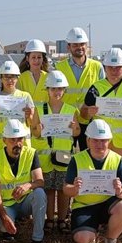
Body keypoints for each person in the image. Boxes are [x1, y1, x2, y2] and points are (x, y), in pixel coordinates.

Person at [62, 119, 122, 243]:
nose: (99, 144)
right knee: (82, 240)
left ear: (109, 141)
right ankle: (91, 232)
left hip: (108, 204)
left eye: (103, 140)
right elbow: (65, 188)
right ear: (88, 141)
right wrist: (75, 189)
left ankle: (110, 241)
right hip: (84, 206)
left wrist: (120, 192)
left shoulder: (118, 160)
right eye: (95, 140)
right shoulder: (77, 159)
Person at [31, 70, 80, 233]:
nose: (56, 92)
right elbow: (34, 132)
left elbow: (77, 132)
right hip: (45, 158)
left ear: (64, 90)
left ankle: (63, 219)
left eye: (59, 89)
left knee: (64, 190)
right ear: (47, 90)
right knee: (49, 190)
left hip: (64, 157)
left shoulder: (71, 110)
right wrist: (38, 128)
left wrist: (74, 128)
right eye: (53, 89)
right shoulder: (39, 109)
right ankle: (50, 219)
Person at [0, 119, 47, 243]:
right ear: (4, 140)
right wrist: (4, 216)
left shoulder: (31, 153)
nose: (17, 143)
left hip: (25, 201)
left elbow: (40, 181)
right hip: (7, 205)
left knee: (39, 193)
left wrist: (29, 185)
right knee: (4, 228)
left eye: (20, 139)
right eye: (13, 140)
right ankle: (10, 223)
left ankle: (37, 240)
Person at [81, 47, 122, 175]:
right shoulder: (96, 88)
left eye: (118, 67)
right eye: (110, 67)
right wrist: (88, 112)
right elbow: (83, 114)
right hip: (100, 140)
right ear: (105, 67)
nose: (114, 71)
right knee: (100, 176)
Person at [55, 27, 105, 150]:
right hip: (66, 120)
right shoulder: (59, 67)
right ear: (69, 47)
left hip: (90, 120)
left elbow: (103, 93)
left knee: (88, 156)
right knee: (64, 157)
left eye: (82, 44)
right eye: (75, 44)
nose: (79, 47)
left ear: (87, 46)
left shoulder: (97, 67)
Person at [0, 60, 34, 155]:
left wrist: (29, 116)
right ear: (1, 78)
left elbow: (32, 124)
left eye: (13, 77)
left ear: (17, 78)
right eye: (6, 77)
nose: (9, 80)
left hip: (21, 146)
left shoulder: (25, 97)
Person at [17, 39, 49, 110]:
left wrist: (44, 117)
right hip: (27, 118)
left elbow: (50, 102)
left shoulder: (49, 77)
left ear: (43, 59)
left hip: (43, 117)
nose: (36, 60)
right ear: (27, 58)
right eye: (33, 57)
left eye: (39, 57)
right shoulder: (21, 78)